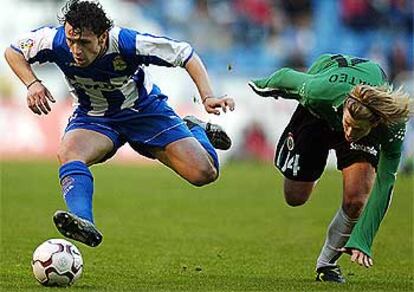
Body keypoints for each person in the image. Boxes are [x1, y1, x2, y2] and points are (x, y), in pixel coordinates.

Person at [5, 0, 235, 248]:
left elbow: (185, 54)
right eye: (71, 40)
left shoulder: (127, 43)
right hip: (95, 117)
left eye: (84, 43)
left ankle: (195, 128)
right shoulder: (53, 40)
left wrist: (207, 96)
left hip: (145, 113)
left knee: (204, 173)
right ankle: (83, 221)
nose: (75, 50)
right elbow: (13, 51)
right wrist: (32, 83)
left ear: (103, 37)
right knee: (69, 152)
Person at [249, 53, 412, 283]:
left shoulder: (390, 124)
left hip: (359, 119)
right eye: (348, 125)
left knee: (356, 199)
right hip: (319, 113)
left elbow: (386, 181)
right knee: (295, 196)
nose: (349, 134)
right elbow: (286, 77)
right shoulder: (318, 92)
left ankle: (327, 264)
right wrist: (262, 85)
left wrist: (363, 238)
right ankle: (315, 167)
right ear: (346, 107)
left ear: (375, 123)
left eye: (358, 129)